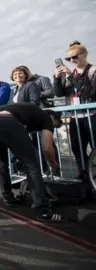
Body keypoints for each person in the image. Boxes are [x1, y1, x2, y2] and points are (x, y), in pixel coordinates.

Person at [0, 102, 63, 222]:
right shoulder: (47, 118)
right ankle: (42, 210)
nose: (54, 128)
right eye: (56, 125)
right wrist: (52, 162)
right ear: (54, 117)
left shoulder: (29, 112)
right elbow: (47, 147)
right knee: (31, 164)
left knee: (1, 162)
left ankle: (8, 198)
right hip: (6, 119)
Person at [53, 41, 96, 186]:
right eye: (68, 59)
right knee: (77, 148)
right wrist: (57, 79)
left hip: (93, 115)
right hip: (76, 116)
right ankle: (85, 176)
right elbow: (60, 93)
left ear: (84, 55)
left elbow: (91, 93)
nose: (72, 61)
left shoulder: (92, 71)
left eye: (75, 57)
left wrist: (71, 77)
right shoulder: (70, 74)